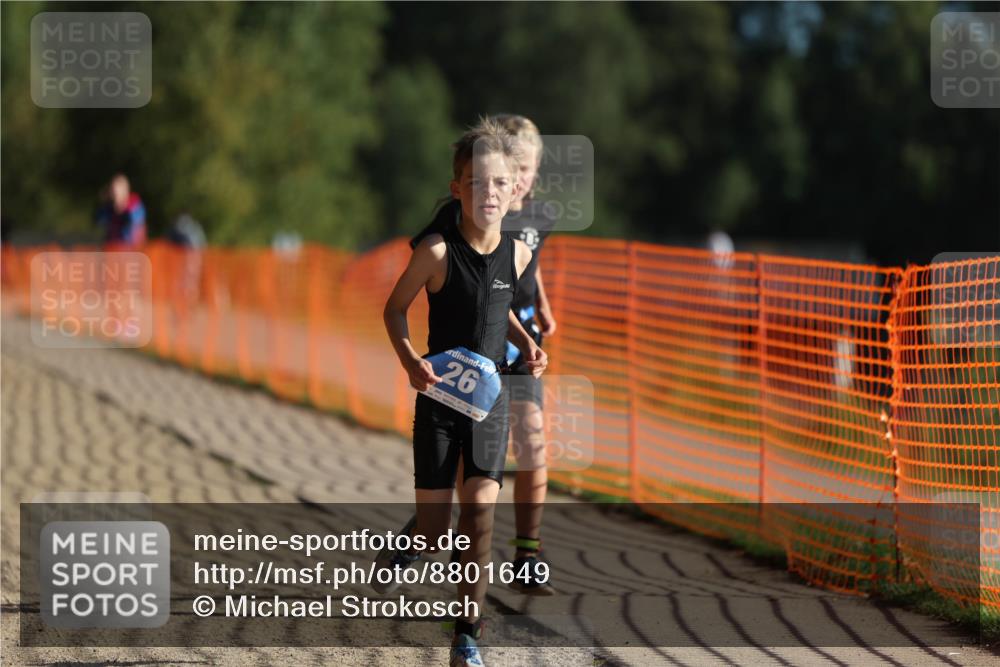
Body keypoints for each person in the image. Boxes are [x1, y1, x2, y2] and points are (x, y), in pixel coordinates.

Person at [379, 118, 547, 667]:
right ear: (458, 191)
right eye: (477, 183)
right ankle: (411, 541)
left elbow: (500, 314)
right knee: (434, 536)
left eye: (500, 182)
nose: (490, 193)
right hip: (439, 406)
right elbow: (394, 309)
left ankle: (466, 635)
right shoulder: (434, 252)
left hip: (489, 406)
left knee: (478, 518)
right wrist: (410, 363)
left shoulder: (519, 254)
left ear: (514, 188)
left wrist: (528, 345)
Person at [410, 115, 558, 595]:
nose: (521, 177)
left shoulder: (538, 215)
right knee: (469, 456)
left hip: (520, 339)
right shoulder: (473, 203)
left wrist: (544, 306)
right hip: (472, 352)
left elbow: (526, 272)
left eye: (529, 168)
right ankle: (434, 528)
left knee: (533, 439)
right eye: (516, 164)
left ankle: (527, 555)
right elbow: (434, 261)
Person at [94, 173, 147, 248]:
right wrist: (103, 202)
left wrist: (123, 213)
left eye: (117, 193)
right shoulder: (108, 209)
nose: (115, 196)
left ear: (126, 191)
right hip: (112, 250)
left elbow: (136, 233)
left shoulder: (135, 208)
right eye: (112, 192)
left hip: (130, 251)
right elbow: (98, 222)